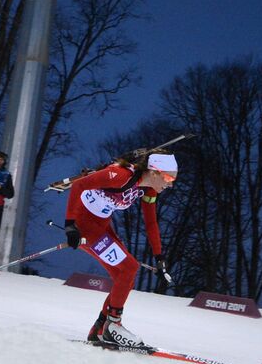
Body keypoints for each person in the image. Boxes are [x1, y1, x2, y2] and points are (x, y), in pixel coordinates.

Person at [62, 149, 177, 350]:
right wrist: (70, 225)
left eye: (173, 180)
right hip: (84, 227)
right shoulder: (121, 175)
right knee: (129, 268)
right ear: (154, 171)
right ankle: (113, 326)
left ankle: (99, 329)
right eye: (168, 177)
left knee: (125, 279)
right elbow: (79, 185)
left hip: (102, 226)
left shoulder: (148, 190)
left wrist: (159, 256)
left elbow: (151, 224)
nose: (170, 183)